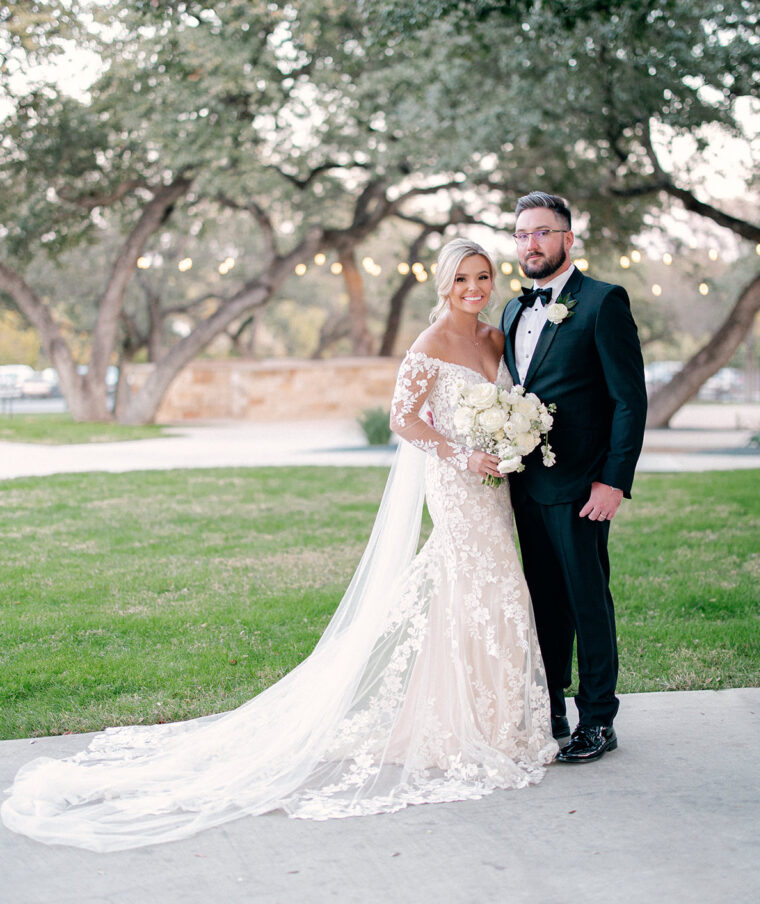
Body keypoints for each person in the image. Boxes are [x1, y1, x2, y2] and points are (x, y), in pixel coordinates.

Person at [1, 237, 557, 853]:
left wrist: (509, 440)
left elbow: (505, 402)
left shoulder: (493, 339)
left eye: (482, 277)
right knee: (478, 583)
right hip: (455, 484)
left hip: (492, 485)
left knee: (491, 588)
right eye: (462, 280)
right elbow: (404, 420)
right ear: (443, 286)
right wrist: (462, 452)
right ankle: (467, 726)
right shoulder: (426, 347)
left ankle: (494, 719)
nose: (474, 289)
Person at [500, 191, 647, 763]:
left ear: (567, 239)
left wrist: (614, 481)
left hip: (584, 486)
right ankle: (551, 712)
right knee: (542, 602)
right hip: (526, 485)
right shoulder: (513, 310)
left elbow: (629, 401)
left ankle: (599, 720)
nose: (530, 244)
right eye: (522, 235)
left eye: (542, 232)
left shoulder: (603, 302)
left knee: (588, 601)